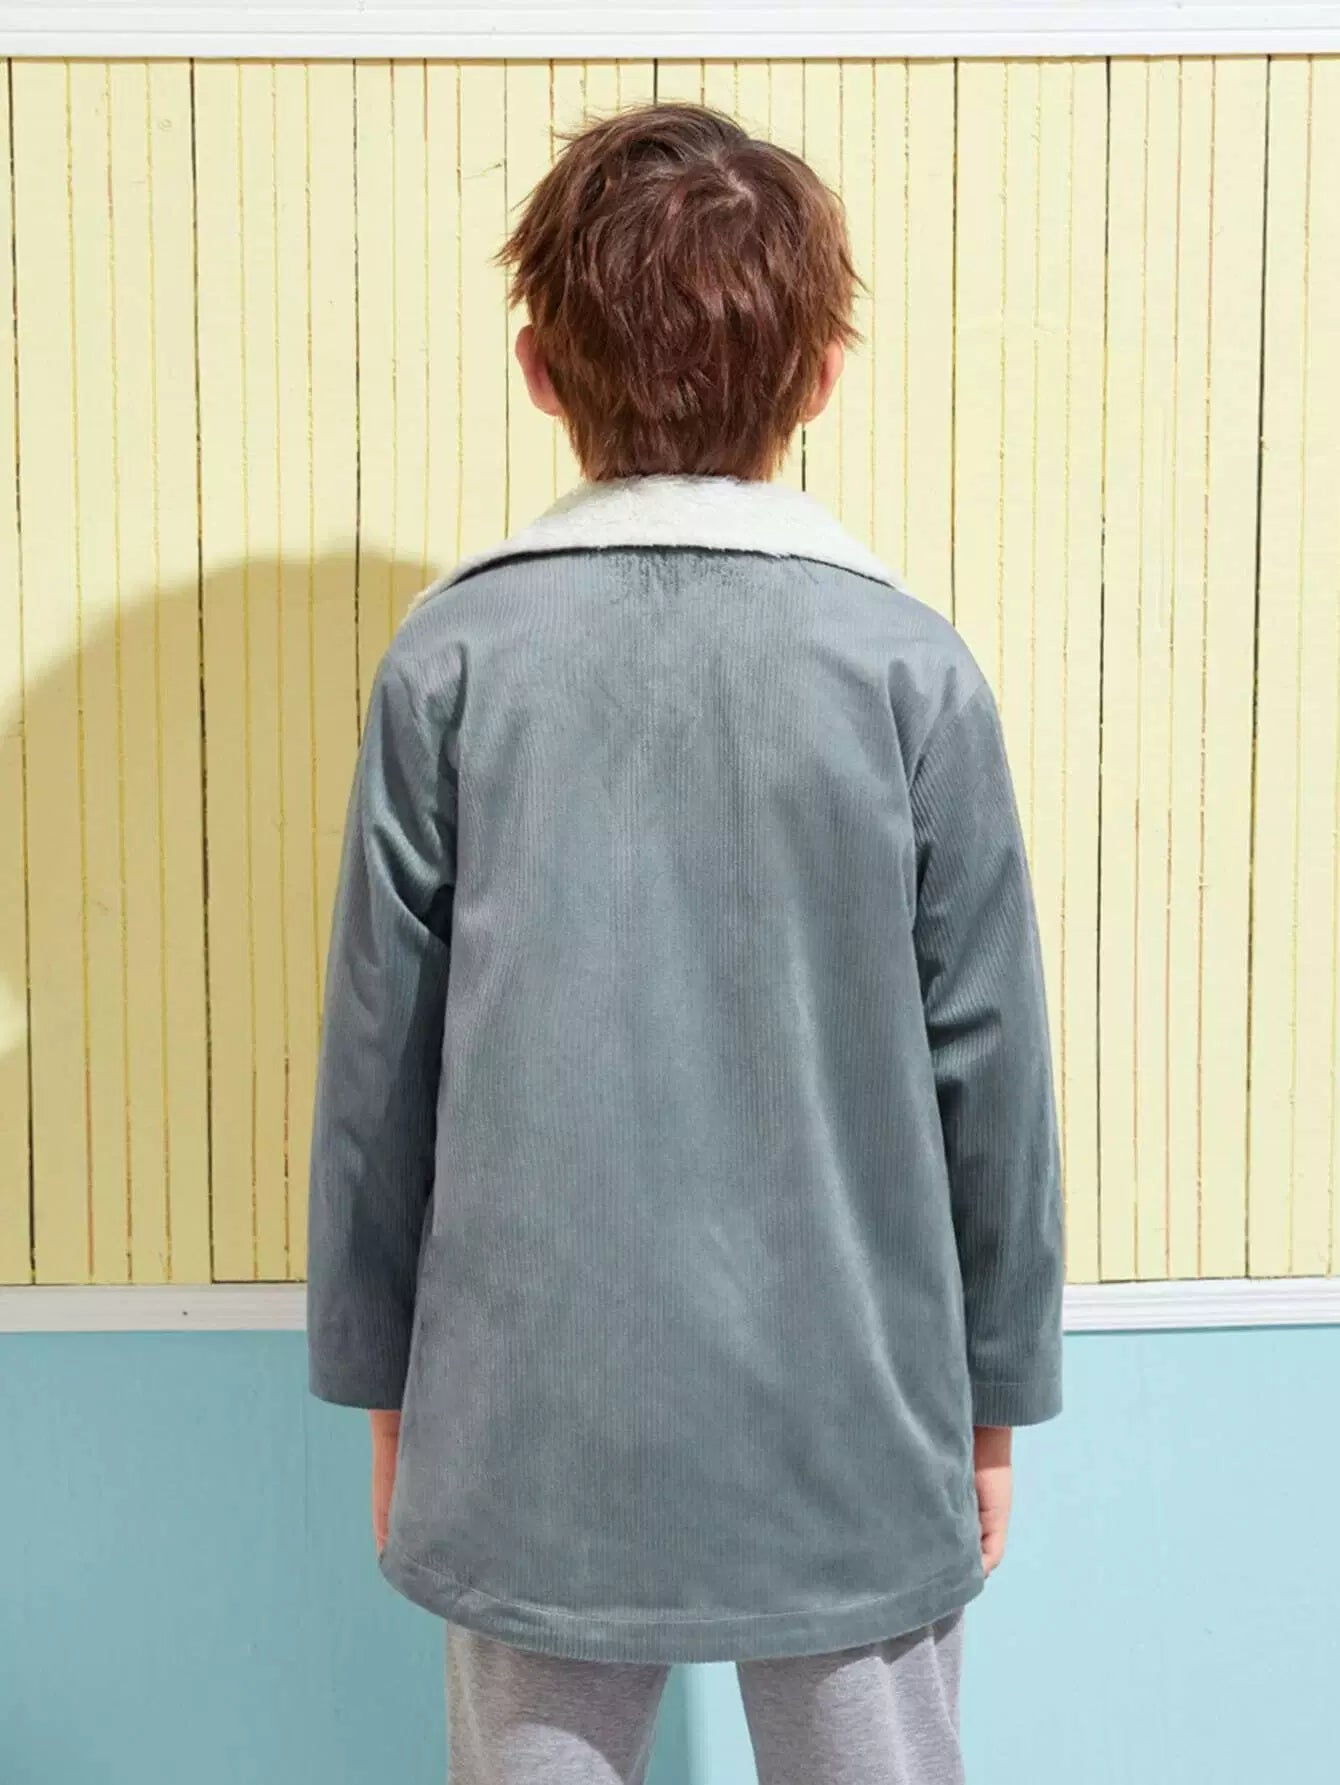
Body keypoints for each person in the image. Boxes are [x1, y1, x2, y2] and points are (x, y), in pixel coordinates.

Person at [306, 101, 1064, 1785]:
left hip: (527, 1414)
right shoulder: (911, 671)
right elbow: (993, 1069)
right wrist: (997, 1396)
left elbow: (380, 1061)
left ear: (538, 369)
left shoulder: (451, 664)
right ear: (823, 376)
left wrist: (387, 1389)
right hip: (858, 1408)